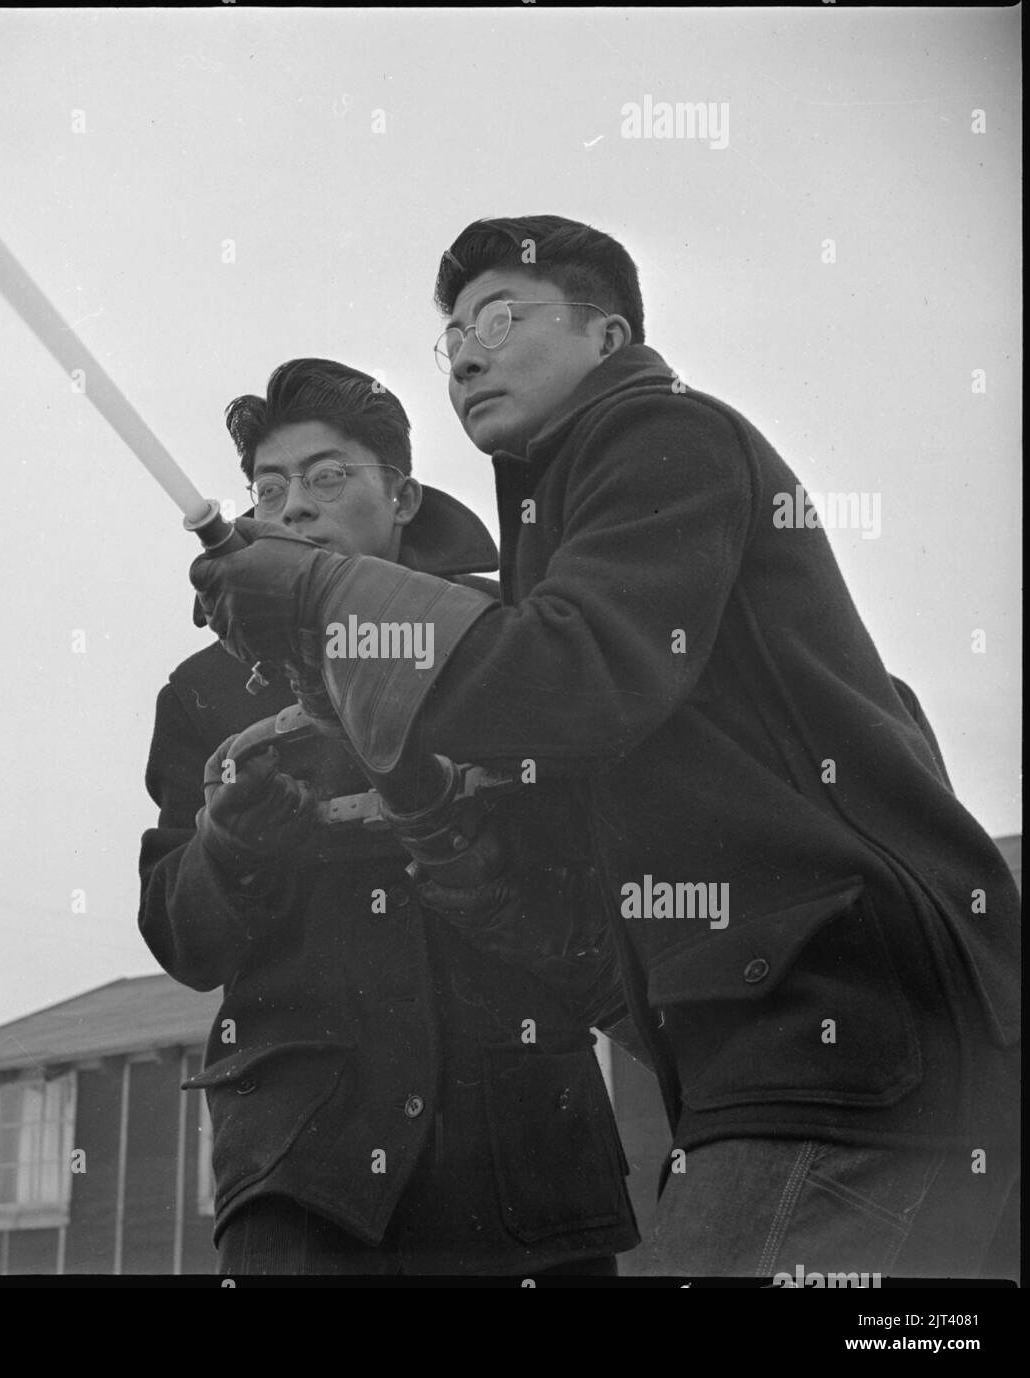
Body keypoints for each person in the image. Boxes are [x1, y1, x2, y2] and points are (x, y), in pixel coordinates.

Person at [191, 218, 1021, 1279]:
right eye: (451, 337)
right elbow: (588, 918)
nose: (470, 353)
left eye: (502, 316)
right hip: (803, 1052)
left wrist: (317, 596)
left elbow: (570, 677)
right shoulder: (562, 534)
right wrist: (437, 823)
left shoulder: (658, 433)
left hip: (841, 1038)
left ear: (607, 333)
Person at [140, 357, 639, 1276]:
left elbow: (596, 866)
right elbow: (182, 940)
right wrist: (230, 846)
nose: (294, 507)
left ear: (405, 495)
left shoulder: (505, 641)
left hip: (528, 1169)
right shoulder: (206, 691)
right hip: (302, 1179)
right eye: (269, 486)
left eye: (330, 477)